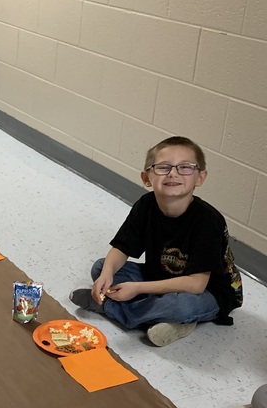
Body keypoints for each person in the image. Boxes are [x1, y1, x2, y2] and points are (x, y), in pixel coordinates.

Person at [70, 137, 243, 347]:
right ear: (146, 178)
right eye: (163, 167)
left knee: (183, 306)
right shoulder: (146, 205)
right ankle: (170, 321)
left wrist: (138, 288)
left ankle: (111, 309)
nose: (173, 173)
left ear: (200, 177)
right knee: (101, 267)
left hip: (208, 293)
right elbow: (121, 248)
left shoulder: (208, 220)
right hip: (159, 275)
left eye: (185, 168)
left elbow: (196, 284)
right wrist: (107, 274)